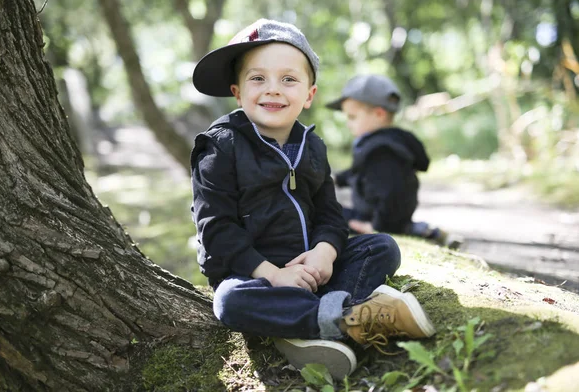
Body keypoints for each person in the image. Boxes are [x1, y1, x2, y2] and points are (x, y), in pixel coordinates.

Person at [190, 19, 436, 380]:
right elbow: (216, 229)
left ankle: (310, 325)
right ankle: (345, 319)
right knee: (229, 301)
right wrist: (273, 275)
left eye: (288, 79)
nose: (273, 90)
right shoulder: (219, 147)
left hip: (313, 268)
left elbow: (331, 216)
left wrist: (326, 251)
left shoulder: (313, 147)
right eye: (257, 78)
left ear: (309, 95)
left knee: (382, 247)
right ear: (238, 92)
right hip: (256, 275)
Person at [326, 74, 461, 249]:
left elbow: (393, 195)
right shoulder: (385, 143)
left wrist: (376, 227)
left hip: (378, 218)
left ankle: (418, 230)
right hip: (383, 215)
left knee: (329, 213)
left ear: (379, 114)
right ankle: (422, 230)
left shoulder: (383, 152)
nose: (348, 123)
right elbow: (359, 172)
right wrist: (337, 179)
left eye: (352, 117)